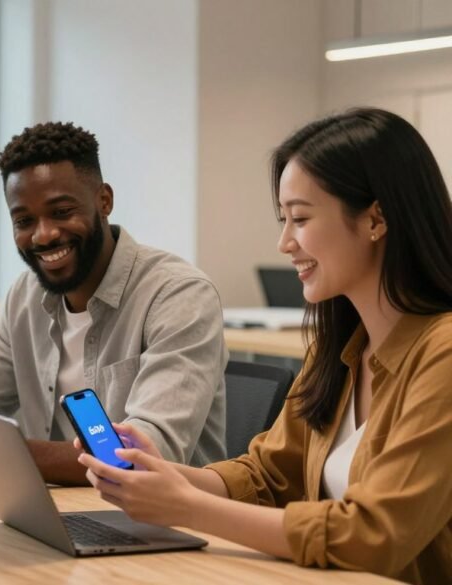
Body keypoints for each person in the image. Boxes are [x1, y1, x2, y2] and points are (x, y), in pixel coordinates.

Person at [77, 108, 452, 584]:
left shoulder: (443, 354)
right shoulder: (338, 347)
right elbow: (267, 476)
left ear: (376, 218)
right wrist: (166, 476)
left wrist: (187, 507)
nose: (284, 242)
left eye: (300, 218)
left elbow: (376, 535)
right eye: (283, 219)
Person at [0, 121, 228, 485]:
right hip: (53, 511)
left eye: (61, 212)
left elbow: (143, 456)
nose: (43, 234)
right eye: (25, 220)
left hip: (163, 524)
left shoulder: (179, 295)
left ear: (104, 200)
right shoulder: (25, 296)